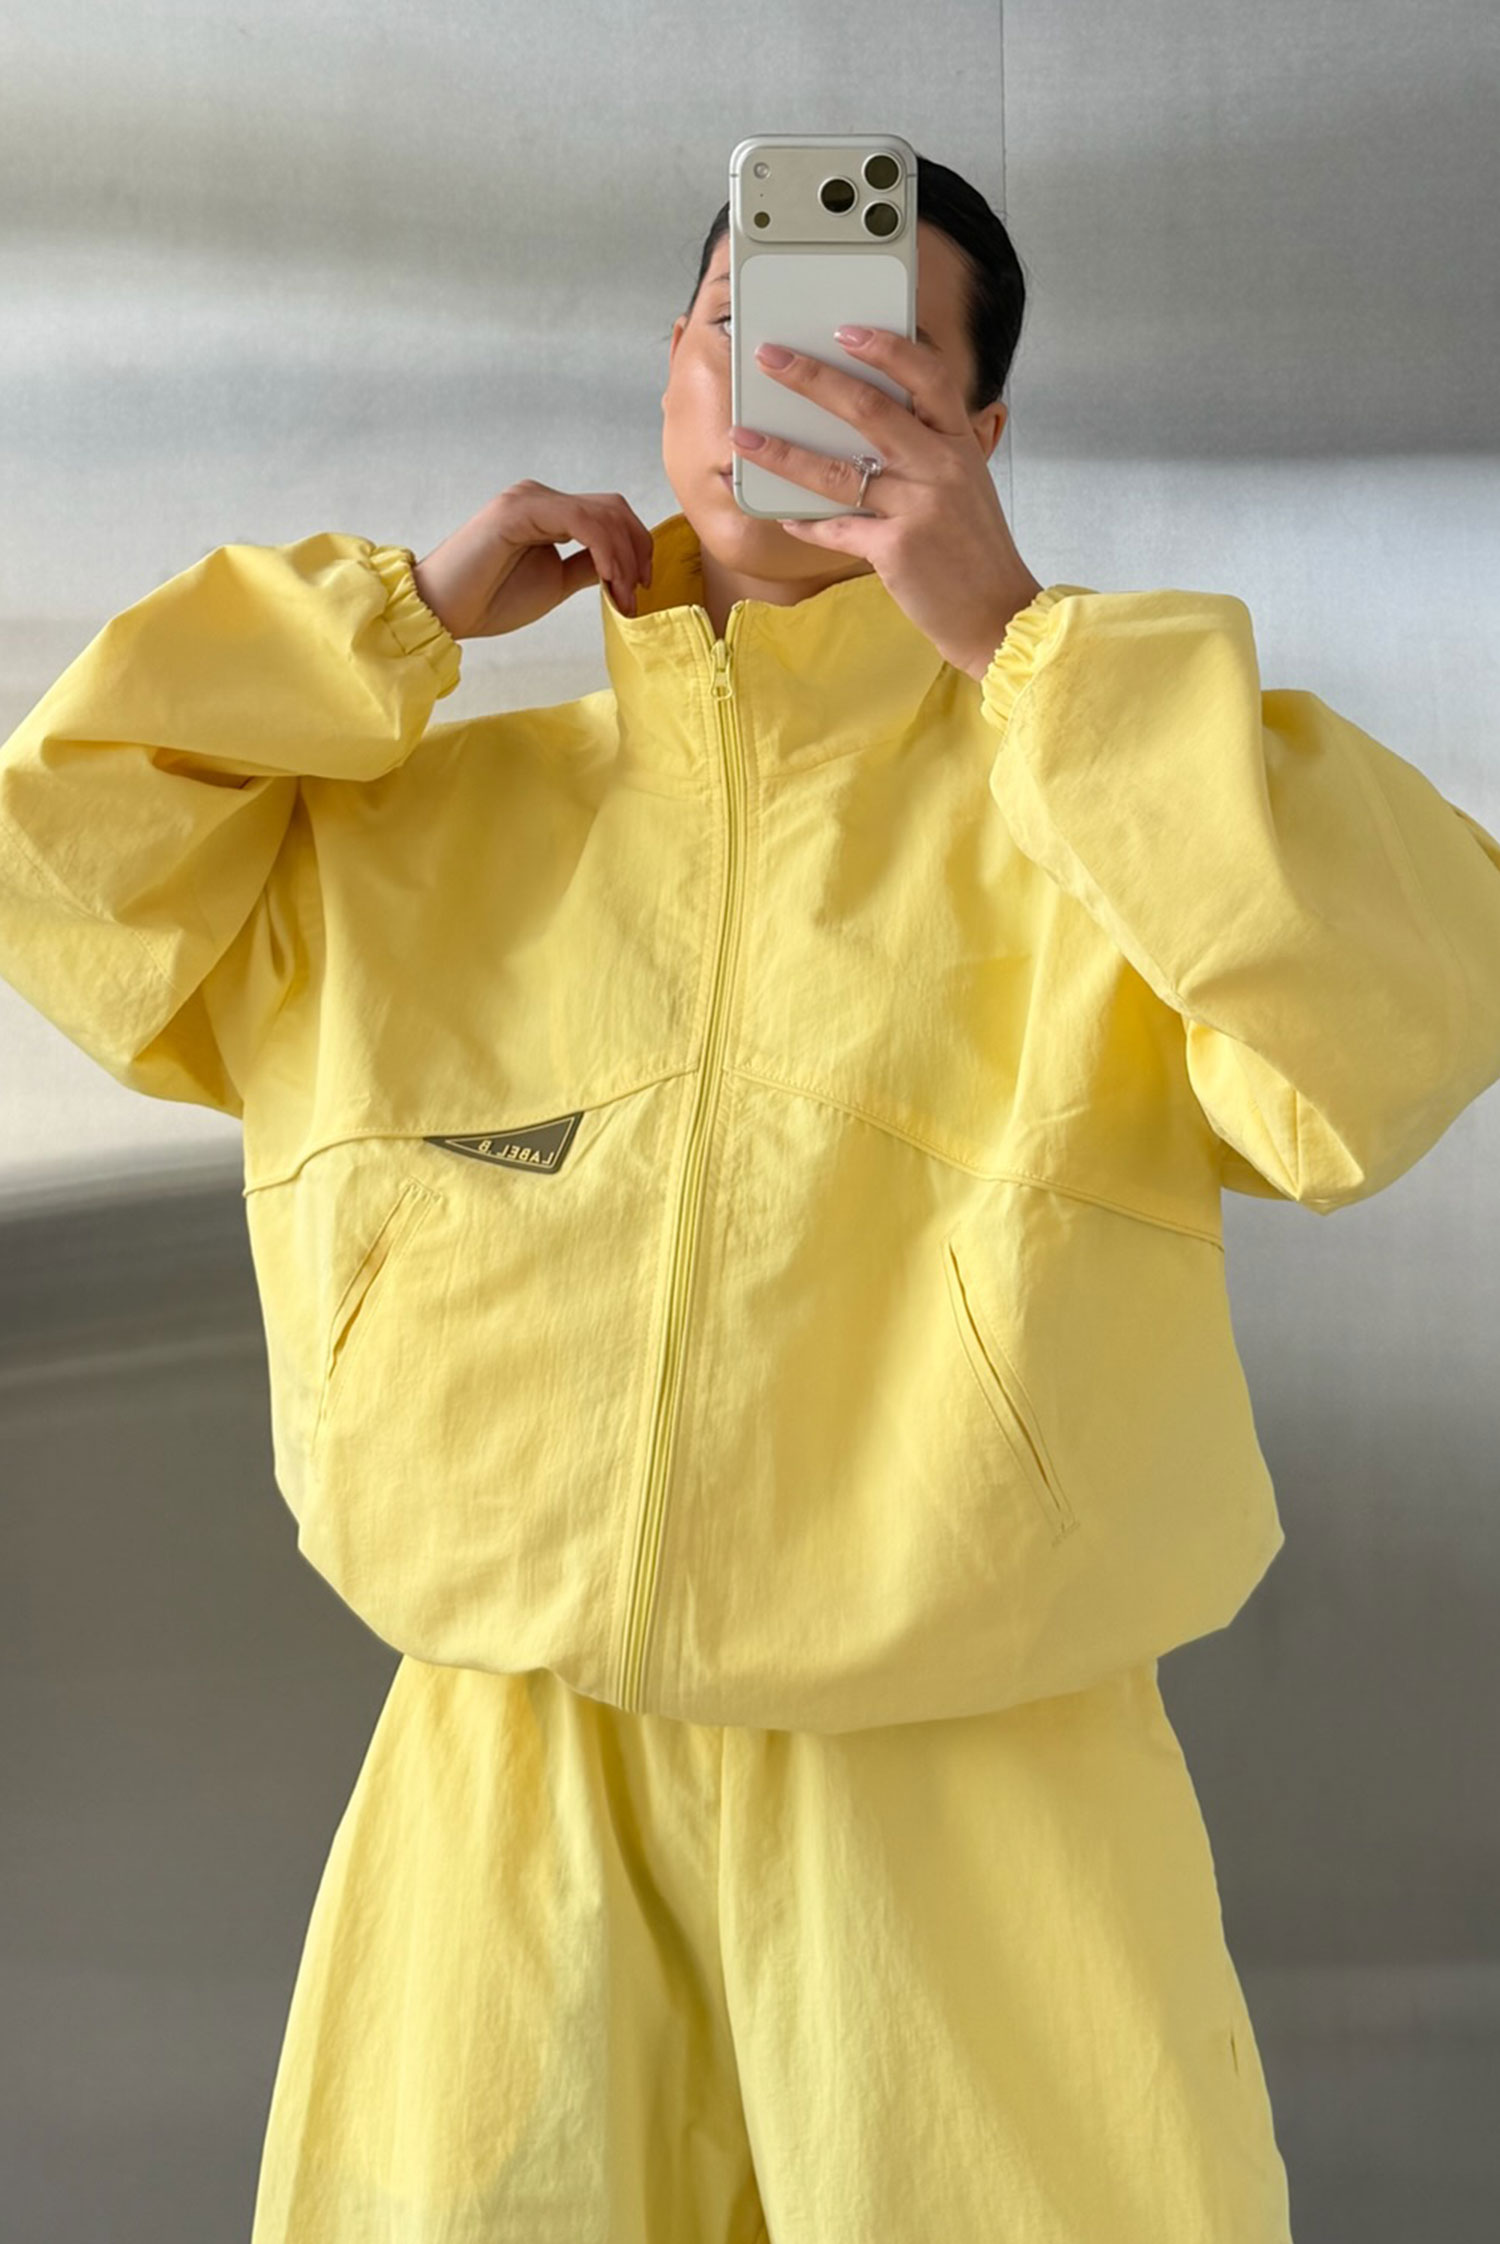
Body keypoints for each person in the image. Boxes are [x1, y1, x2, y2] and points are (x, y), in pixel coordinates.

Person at [3, 151, 1498, 2244]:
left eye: (881, 345)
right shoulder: (426, 822)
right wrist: (393, 622)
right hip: (505, 1784)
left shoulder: (1111, 804)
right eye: (746, 324)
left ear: (978, 429)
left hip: (978, 1791)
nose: (794, 372)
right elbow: (62, 856)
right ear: (674, 374)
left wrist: (1022, 647)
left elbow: (1397, 1026)